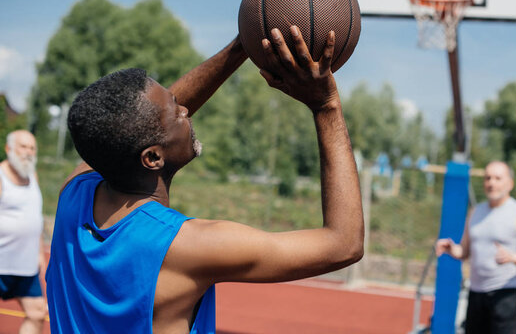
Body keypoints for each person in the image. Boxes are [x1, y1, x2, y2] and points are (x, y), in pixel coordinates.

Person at [46, 26, 364, 333]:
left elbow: (131, 129)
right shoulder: (185, 246)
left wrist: (242, 46)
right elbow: (343, 245)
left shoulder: (73, 197)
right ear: (153, 158)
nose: (186, 110)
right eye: (177, 113)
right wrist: (326, 106)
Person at [436, 161, 516, 334]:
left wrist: (512, 257)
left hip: (504, 294)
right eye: (488, 178)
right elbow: (464, 251)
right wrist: (451, 249)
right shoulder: (476, 212)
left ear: (510, 183)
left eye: (498, 178)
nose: (491, 183)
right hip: (476, 293)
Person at [0, 130, 47, 334]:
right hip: (2, 262)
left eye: (32, 147)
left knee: (37, 313)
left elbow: (34, 217)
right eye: (23, 146)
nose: (28, 152)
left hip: (25, 266)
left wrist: (39, 254)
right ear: (9, 149)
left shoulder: (32, 176)